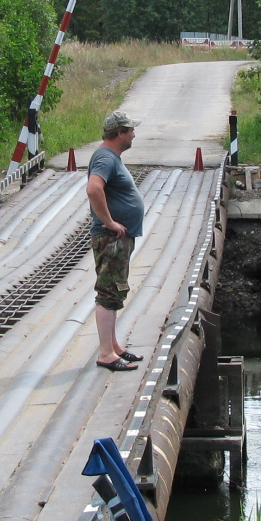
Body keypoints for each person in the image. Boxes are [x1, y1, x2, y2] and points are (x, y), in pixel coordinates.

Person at [86, 109, 146, 371]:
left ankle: (114, 346)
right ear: (120, 133)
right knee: (109, 292)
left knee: (115, 289)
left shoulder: (111, 157)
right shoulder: (105, 158)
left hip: (118, 238)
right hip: (110, 238)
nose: (134, 134)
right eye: (130, 130)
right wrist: (109, 222)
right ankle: (106, 354)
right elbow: (93, 188)